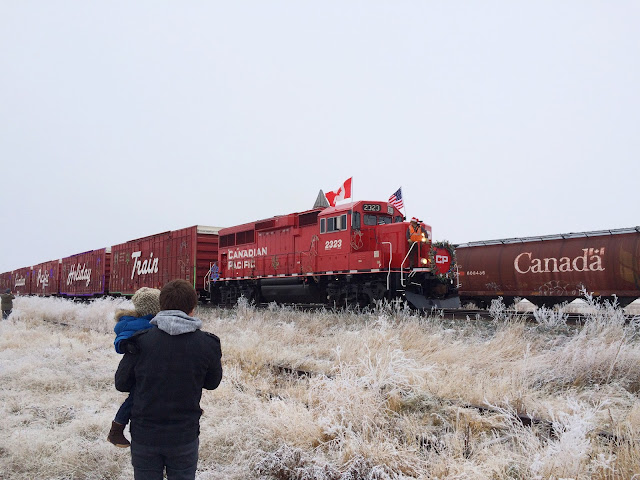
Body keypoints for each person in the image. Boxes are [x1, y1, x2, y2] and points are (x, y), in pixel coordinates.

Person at [115, 279, 223, 480]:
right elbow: (212, 383)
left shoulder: (139, 341)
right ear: (192, 307)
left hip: (145, 434)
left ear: (161, 306)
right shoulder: (208, 344)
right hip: (184, 435)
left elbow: (121, 383)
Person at [107, 287, 162, 448]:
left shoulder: (149, 322)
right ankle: (116, 428)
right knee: (136, 396)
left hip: (149, 365)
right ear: (154, 308)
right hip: (138, 368)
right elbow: (121, 338)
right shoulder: (137, 324)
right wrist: (126, 345)